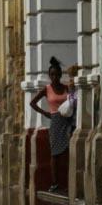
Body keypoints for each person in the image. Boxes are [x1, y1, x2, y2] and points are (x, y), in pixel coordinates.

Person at [29, 57, 77, 193]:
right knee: (55, 154)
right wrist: (45, 113)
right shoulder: (47, 89)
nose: (55, 77)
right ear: (49, 76)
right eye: (52, 75)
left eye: (57, 74)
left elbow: (73, 101)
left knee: (67, 151)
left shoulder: (66, 88)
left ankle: (68, 182)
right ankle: (55, 183)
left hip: (67, 121)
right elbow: (32, 103)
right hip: (55, 122)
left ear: (61, 75)